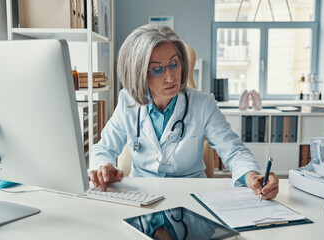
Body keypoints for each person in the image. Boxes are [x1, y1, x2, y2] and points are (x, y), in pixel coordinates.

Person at [89, 24, 279, 200]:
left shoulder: (203, 104)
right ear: (138, 73)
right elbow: (103, 148)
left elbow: (233, 151)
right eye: (157, 69)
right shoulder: (127, 101)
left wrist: (252, 175)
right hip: (141, 194)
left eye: (174, 64)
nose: (171, 77)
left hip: (192, 194)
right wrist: (103, 166)